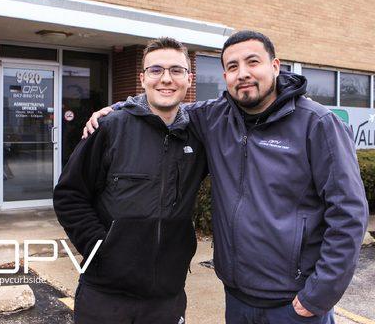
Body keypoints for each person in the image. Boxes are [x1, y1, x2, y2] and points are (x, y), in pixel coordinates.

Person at [84, 30, 369, 324]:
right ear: (225, 75)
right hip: (237, 298)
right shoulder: (213, 117)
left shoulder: (318, 124)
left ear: (275, 66)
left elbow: (348, 212)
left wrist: (319, 294)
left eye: (252, 62)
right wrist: (117, 109)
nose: (242, 73)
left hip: (295, 304)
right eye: (233, 67)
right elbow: (163, 103)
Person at [54, 37, 207, 324]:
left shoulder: (200, 135)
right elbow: (69, 195)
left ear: (189, 79)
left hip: (167, 296)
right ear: (142, 78)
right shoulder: (110, 127)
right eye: (156, 70)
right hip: (105, 294)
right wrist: (100, 247)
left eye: (176, 70)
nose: (166, 79)